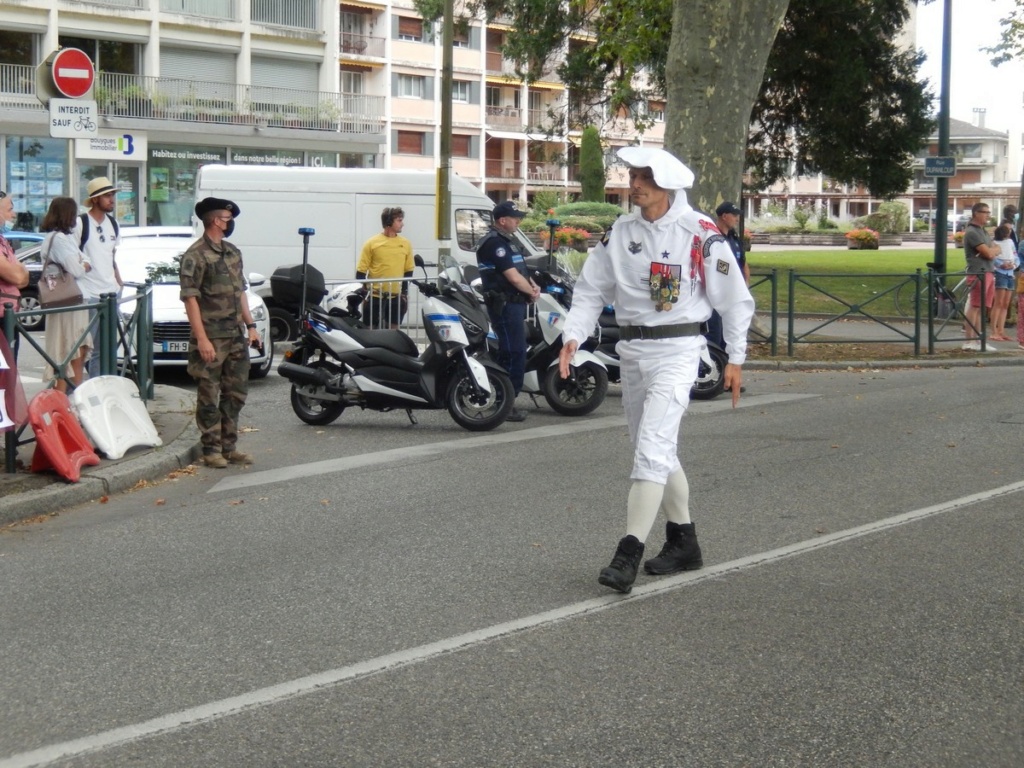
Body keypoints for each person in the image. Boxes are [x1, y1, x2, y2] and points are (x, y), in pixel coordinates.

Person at [557, 147, 754, 593]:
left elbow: (735, 299)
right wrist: (573, 335)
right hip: (633, 351)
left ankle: (628, 553)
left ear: (666, 182)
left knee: (652, 448)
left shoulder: (700, 232)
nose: (635, 183)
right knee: (655, 449)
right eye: (633, 175)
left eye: (644, 176)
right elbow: (590, 289)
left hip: (680, 350)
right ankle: (684, 542)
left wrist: (736, 357)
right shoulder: (620, 232)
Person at [180, 197, 261, 469]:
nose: (230, 223)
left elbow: (240, 293)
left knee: (235, 393)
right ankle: (211, 449)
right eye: (227, 218)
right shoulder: (196, 255)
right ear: (215, 220)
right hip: (211, 336)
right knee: (208, 394)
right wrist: (201, 338)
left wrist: (250, 326)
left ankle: (229, 447)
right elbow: (190, 299)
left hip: (235, 335)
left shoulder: (233, 252)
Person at [476, 200, 540, 423]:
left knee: (514, 351)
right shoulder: (495, 244)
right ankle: (506, 403)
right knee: (513, 352)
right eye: (515, 217)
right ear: (502, 220)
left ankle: (506, 401)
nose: (518, 221)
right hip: (504, 305)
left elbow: (519, 270)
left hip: (513, 304)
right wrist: (530, 292)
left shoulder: (507, 242)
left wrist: (532, 285)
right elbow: (511, 276)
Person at [39, 197, 92, 392]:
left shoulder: (65, 238)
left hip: (72, 299)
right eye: (73, 213)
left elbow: (85, 259)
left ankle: (69, 402)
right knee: (69, 351)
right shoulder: (58, 240)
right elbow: (77, 268)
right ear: (66, 214)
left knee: (76, 350)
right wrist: (83, 264)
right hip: (68, 300)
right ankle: (63, 404)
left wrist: (82, 262)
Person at [75, 177, 123, 378]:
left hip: (111, 293)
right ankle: (78, 392)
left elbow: (112, 255)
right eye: (107, 195)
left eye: (112, 194)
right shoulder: (80, 223)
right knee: (83, 349)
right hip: (89, 294)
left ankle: (102, 388)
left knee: (107, 349)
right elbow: (73, 256)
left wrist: (119, 282)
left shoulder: (113, 223)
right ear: (95, 199)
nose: (112, 199)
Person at [355, 207, 414, 329]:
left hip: (396, 297)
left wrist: (404, 293)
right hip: (375, 296)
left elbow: (408, 271)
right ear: (388, 222)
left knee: (393, 332)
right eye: (399, 220)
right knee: (370, 331)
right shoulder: (371, 243)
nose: (402, 224)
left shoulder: (406, 243)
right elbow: (360, 272)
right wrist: (365, 293)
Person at [962, 202, 1000, 351]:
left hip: (988, 271)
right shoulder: (972, 232)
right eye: (985, 212)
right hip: (978, 272)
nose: (988, 215)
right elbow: (989, 252)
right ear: (976, 213)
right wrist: (993, 250)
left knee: (981, 307)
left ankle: (978, 340)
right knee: (975, 306)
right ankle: (970, 340)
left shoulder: (982, 231)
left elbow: (996, 249)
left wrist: (993, 250)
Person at [0, 190, 30, 327]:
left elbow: (23, 278)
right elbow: (18, 277)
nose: (14, 214)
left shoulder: (3, 240)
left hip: (8, 315)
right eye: (10, 210)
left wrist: (21, 271)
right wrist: (20, 271)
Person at [990, 224, 1017, 342]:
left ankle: (1001, 330)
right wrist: (1001, 264)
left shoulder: (1010, 242)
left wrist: (1014, 265)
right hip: (1001, 272)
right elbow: (992, 257)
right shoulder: (994, 243)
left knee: (1006, 303)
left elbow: (1015, 255)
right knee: (999, 302)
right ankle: (994, 330)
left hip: (1010, 272)